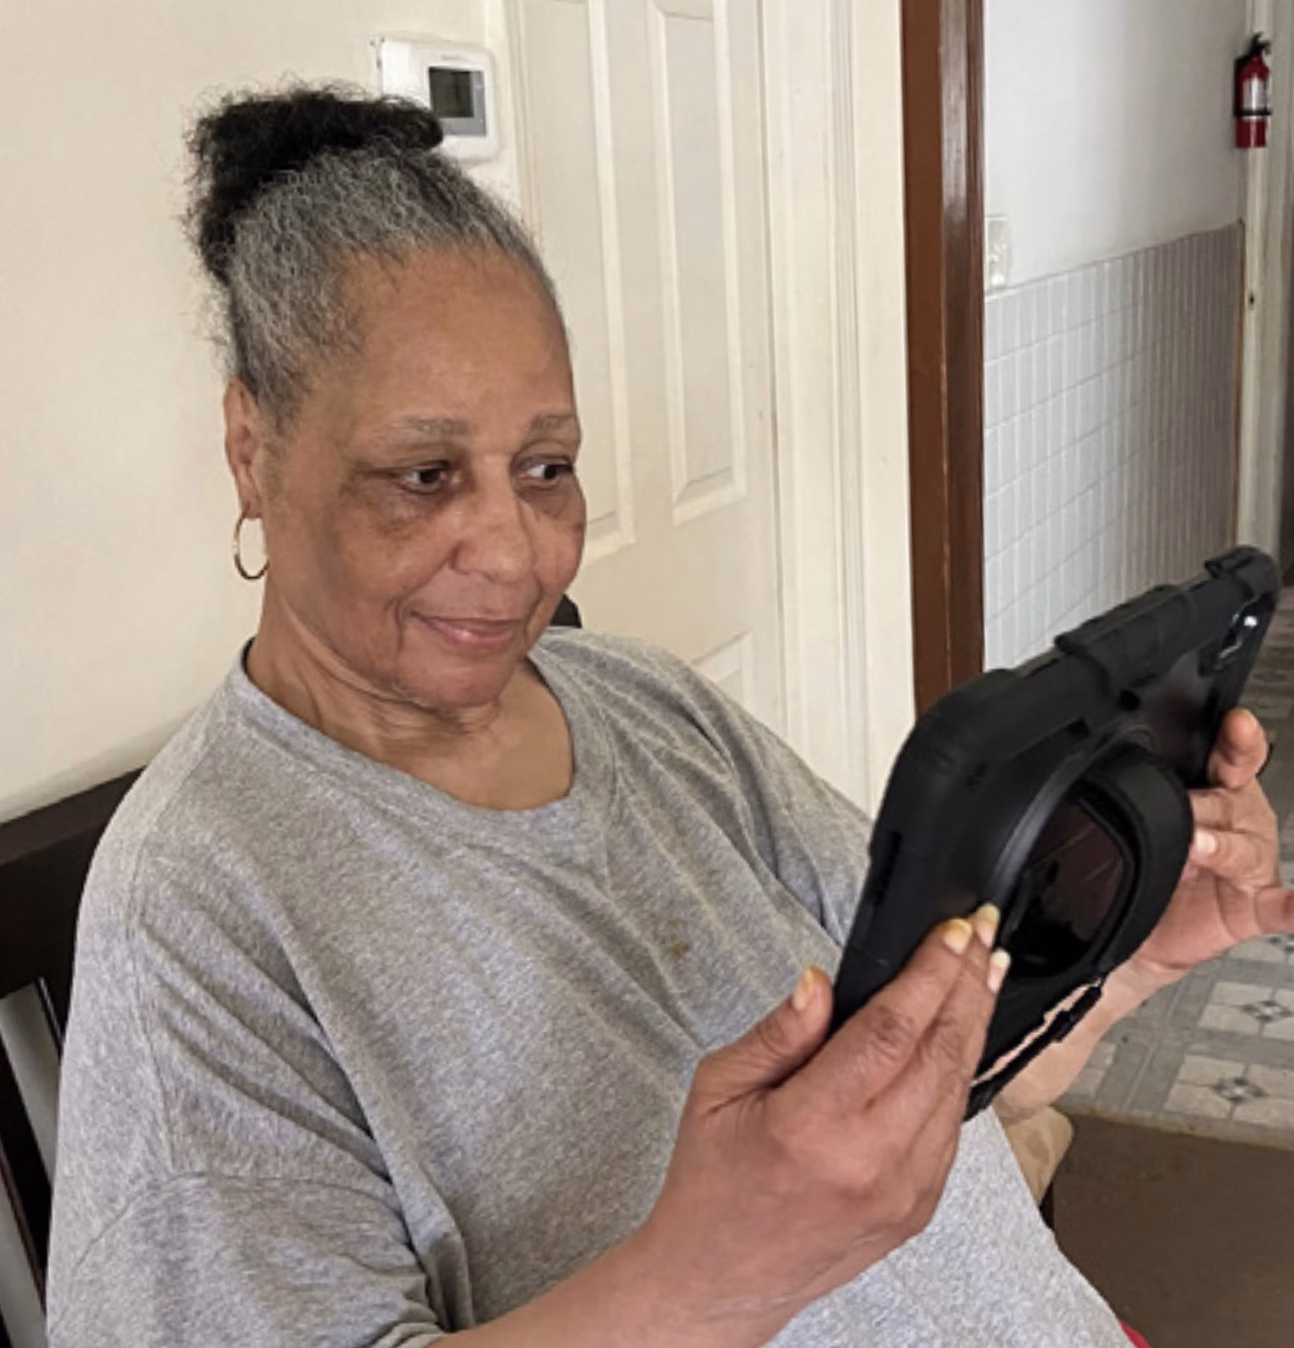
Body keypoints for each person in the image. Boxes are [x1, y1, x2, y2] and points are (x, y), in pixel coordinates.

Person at [46, 84, 1292, 1348]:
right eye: (422, 477)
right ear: (253, 448)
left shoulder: (653, 709)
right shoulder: (200, 906)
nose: (515, 551)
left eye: (547, 469)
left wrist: (1130, 963)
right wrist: (715, 1273)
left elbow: (926, 1083)